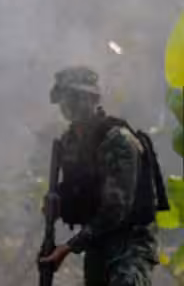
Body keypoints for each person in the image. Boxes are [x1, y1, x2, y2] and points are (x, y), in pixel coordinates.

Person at [39, 66, 162, 285]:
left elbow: (116, 209)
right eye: (65, 98)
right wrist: (57, 200)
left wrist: (69, 247)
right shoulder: (70, 142)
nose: (69, 104)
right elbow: (78, 188)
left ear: (93, 99)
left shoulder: (117, 140)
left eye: (76, 97)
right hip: (99, 241)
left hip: (130, 243)